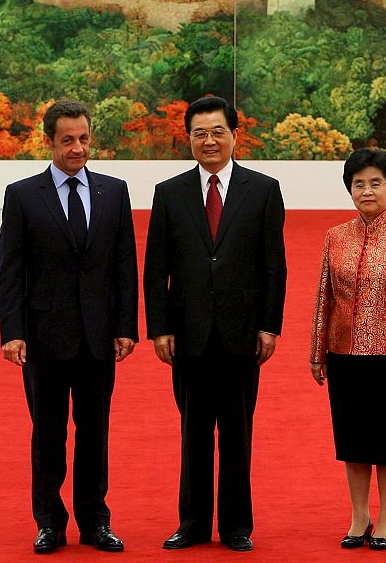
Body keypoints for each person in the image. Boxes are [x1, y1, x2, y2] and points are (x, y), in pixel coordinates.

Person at [144, 96, 287, 552]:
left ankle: (236, 526)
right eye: (199, 133)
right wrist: (160, 327)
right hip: (187, 334)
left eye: (217, 131)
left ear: (234, 135)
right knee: (193, 432)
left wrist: (269, 325)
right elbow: (155, 268)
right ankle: (192, 524)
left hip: (242, 333)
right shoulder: (169, 193)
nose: (209, 141)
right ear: (188, 138)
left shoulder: (262, 190)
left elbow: (274, 266)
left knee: (238, 432)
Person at [0, 98, 138, 554]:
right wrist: (12, 332)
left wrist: (125, 326)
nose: (77, 148)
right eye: (67, 140)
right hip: (43, 338)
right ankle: (49, 523)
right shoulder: (21, 195)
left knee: (95, 433)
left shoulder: (113, 192)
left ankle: (96, 522)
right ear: (49, 140)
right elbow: (11, 270)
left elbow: (123, 265)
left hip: (99, 338)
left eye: (83, 138)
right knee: (48, 435)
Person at [310, 148, 386, 551]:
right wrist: (317, 352)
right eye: (358, 183)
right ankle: (359, 516)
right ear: (350, 189)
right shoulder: (335, 237)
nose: (367, 190)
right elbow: (324, 297)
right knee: (353, 441)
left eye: (376, 182)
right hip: (342, 355)